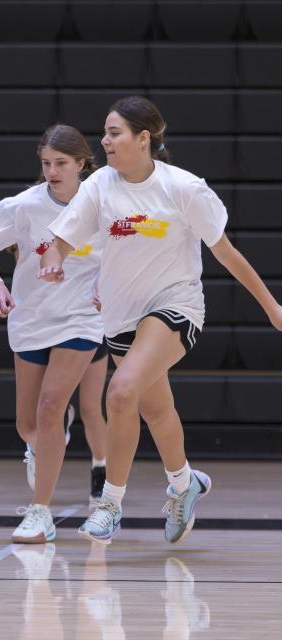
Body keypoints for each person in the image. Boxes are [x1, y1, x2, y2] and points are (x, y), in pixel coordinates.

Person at [40, 96, 282, 544]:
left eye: (115, 133)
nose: (105, 141)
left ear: (143, 137)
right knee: (156, 409)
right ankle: (185, 483)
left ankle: (110, 504)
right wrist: (53, 258)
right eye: (106, 132)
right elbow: (63, 238)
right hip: (119, 315)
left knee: (121, 390)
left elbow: (226, 253)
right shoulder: (99, 187)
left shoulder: (184, 189)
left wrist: (272, 307)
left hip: (176, 306)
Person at [0, 124, 109, 544]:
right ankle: (43, 443)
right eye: (46, 163)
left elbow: (125, 251)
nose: (52, 171)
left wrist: (109, 288)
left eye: (61, 163)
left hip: (81, 319)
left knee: (52, 407)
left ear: (82, 164)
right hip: (31, 317)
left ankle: (40, 513)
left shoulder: (102, 205)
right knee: (27, 423)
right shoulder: (22, 207)